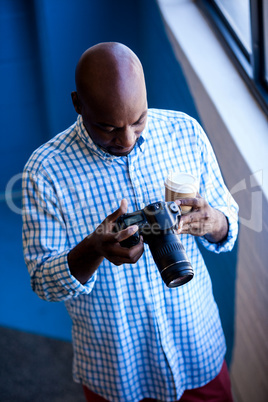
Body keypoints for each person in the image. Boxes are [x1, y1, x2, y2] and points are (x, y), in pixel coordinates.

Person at [22, 42, 239, 402]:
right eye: (107, 127)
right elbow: (43, 282)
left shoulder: (185, 132)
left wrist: (214, 221)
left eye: (138, 120)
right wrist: (93, 250)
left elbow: (228, 223)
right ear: (78, 104)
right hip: (118, 371)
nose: (127, 139)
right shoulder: (44, 172)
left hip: (197, 349)